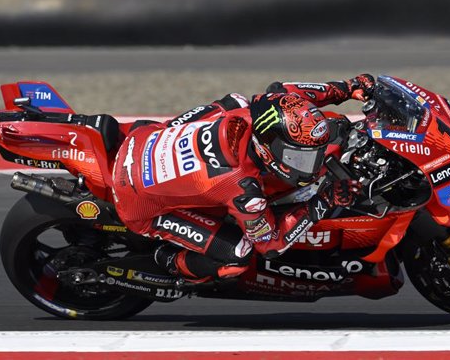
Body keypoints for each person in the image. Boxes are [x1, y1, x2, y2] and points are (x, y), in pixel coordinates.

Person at [111, 74, 375, 284]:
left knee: (233, 102)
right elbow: (271, 245)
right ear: (267, 148)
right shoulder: (244, 189)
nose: (310, 167)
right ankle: (167, 261)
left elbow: (287, 91)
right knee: (237, 255)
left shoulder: (257, 110)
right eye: (299, 158)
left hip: (141, 138)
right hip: (138, 202)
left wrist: (347, 88)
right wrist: (324, 200)